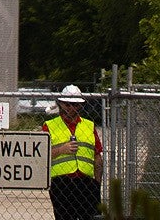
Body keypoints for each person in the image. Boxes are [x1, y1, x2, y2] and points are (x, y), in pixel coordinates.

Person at [43, 84, 101, 219]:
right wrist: (61, 150)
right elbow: (41, 155)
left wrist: (97, 184)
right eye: (68, 104)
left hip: (86, 183)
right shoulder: (50, 126)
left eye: (75, 105)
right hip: (61, 183)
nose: (71, 108)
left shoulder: (89, 125)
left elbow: (97, 156)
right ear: (61, 104)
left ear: (80, 106)